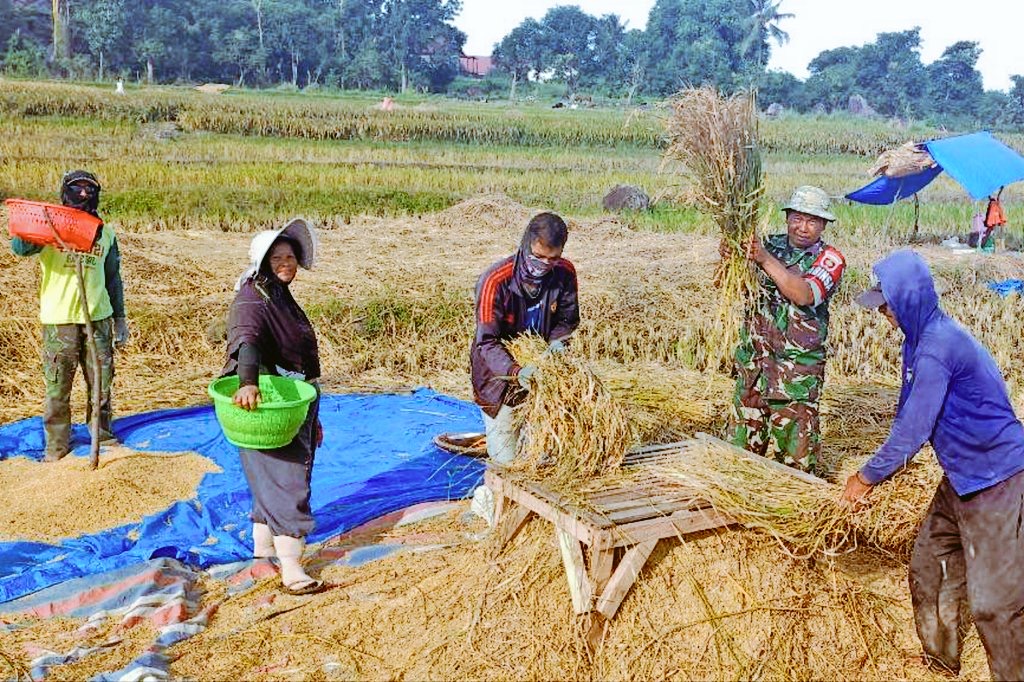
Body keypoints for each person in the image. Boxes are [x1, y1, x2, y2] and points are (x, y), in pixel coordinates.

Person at [841, 249, 1024, 680]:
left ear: (906, 299)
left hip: (997, 479)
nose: (882, 313)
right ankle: (941, 665)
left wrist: (866, 479)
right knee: (929, 567)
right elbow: (906, 416)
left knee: (994, 605)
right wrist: (878, 470)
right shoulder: (918, 339)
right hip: (961, 476)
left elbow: (913, 434)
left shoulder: (938, 348)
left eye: (886, 303)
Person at [222, 218, 325, 596]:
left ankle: (262, 552)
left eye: (291, 257)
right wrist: (248, 383)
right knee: (285, 479)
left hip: (291, 398)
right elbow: (246, 340)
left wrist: (314, 417)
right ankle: (292, 568)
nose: (287, 263)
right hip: (265, 403)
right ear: (263, 262)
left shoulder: (276, 292)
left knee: (268, 478)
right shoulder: (252, 297)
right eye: (278, 257)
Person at [725, 185, 846, 474]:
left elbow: (804, 294)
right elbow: (733, 287)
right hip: (754, 368)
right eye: (797, 218)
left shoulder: (830, 260)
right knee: (736, 458)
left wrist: (764, 259)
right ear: (787, 217)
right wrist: (729, 259)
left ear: (823, 225)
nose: (803, 227)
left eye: (813, 221)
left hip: (794, 376)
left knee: (794, 465)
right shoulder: (768, 245)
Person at [10, 170, 129, 462]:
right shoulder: (50, 226)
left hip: (97, 318)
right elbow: (19, 248)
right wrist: (36, 224)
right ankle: (57, 446)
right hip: (59, 320)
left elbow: (113, 278)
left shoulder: (106, 232)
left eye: (90, 189)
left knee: (100, 382)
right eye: (78, 189)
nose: (84, 194)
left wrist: (120, 318)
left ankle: (101, 435)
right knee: (58, 385)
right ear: (66, 191)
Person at [471, 212, 580, 465]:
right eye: (538, 257)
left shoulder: (564, 273)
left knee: (542, 457)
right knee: (507, 462)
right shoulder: (495, 281)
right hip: (499, 381)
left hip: (542, 377)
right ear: (525, 245)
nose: (543, 264)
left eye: (551, 259)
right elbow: (487, 342)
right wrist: (517, 372)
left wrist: (557, 343)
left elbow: (567, 319)